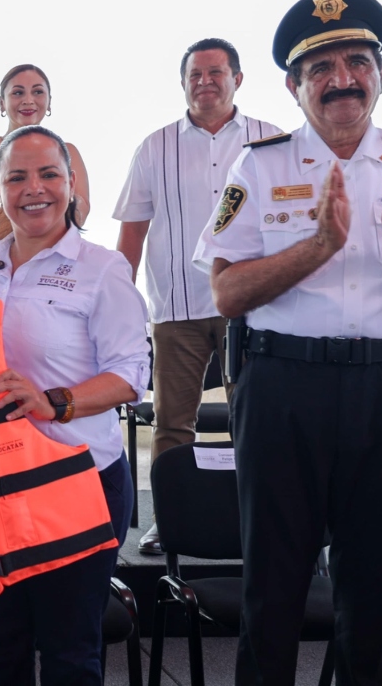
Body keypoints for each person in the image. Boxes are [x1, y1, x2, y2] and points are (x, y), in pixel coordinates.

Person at [194, 0, 382, 684]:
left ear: (379, 77)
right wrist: (317, 247)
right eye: (320, 70)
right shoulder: (258, 167)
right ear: (294, 88)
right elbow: (227, 292)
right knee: (274, 593)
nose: (342, 79)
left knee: (374, 596)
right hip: (282, 392)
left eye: (357, 62)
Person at [0, 124, 149, 683]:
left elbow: (132, 376)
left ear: (71, 185)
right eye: (16, 176)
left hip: (78, 480)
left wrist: (53, 402)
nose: (33, 188)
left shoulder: (103, 269)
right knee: (1, 646)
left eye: (48, 174)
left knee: (69, 651)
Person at [113, 38, 282, 555]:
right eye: (196, 75)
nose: (205, 82)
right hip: (176, 312)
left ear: (238, 79)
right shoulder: (155, 146)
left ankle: (264, 521)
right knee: (172, 425)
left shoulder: (272, 142)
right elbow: (133, 234)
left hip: (252, 313)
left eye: (216, 73)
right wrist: (122, 307)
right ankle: (172, 520)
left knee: (257, 420)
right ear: (183, 82)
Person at [0, 64, 91, 245]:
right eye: (18, 93)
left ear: (49, 102)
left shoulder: (67, 152)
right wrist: (9, 189)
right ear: (2, 103)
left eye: (37, 92)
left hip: (55, 263)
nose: (28, 100)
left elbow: (80, 215)